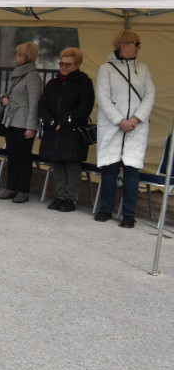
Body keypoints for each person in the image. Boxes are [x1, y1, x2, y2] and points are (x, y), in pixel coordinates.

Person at [95, 30, 156, 228]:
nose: (138, 47)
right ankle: (106, 209)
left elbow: (150, 94)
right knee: (110, 169)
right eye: (136, 43)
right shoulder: (106, 69)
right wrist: (120, 120)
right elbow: (103, 97)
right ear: (124, 45)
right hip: (114, 125)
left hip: (136, 127)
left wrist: (136, 119)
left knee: (132, 171)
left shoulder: (144, 69)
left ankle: (128, 214)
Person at [39, 48, 95, 213]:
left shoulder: (84, 83)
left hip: (72, 131)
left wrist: (65, 121)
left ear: (77, 65)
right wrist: (50, 120)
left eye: (68, 64)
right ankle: (61, 195)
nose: (63, 67)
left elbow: (85, 107)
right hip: (53, 130)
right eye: (62, 63)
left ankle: (71, 198)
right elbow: (43, 104)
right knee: (57, 163)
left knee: (71, 164)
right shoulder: (53, 83)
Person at [0, 42, 43, 204]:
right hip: (11, 120)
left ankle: (22, 190)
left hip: (23, 122)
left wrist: (31, 127)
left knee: (23, 158)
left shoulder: (33, 77)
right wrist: (5, 100)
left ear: (23, 57)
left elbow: (34, 103)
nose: (15, 57)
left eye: (17, 54)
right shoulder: (18, 74)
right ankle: (11, 187)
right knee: (13, 156)